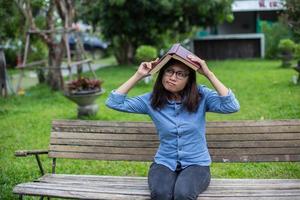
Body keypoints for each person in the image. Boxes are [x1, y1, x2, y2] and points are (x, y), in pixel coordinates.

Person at [105, 54, 240, 200]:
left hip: (197, 164)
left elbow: (231, 106)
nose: (172, 77)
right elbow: (114, 102)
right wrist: (139, 75)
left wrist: (208, 74)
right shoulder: (151, 101)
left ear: (189, 80)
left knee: (183, 194)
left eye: (180, 74)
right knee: (161, 194)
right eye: (169, 71)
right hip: (164, 162)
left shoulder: (202, 96)